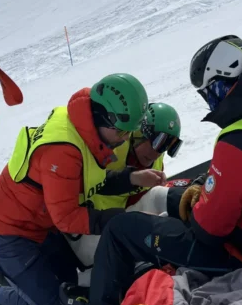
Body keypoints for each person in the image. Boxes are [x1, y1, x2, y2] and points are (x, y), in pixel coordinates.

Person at [69, 35, 242, 305]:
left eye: (208, 92)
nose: (209, 102)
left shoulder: (239, 141)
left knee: (121, 228)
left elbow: (208, 231)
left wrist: (199, 203)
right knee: (174, 196)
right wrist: (202, 192)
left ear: (221, 84)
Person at [0, 73, 162, 305]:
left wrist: (131, 178)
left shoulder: (85, 130)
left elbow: (89, 180)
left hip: (38, 222)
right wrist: (126, 220)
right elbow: (67, 218)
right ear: (104, 117)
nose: (124, 140)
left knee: (68, 284)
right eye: (122, 132)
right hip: (9, 228)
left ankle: (10, 275)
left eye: (129, 133)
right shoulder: (63, 151)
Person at [62, 102, 183, 276]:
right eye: (158, 141)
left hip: (119, 219)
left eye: (169, 146)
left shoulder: (155, 161)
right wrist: (131, 179)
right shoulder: (109, 146)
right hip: (88, 229)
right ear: (141, 132)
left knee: (159, 196)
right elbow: (85, 182)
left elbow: (140, 200)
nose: (158, 152)